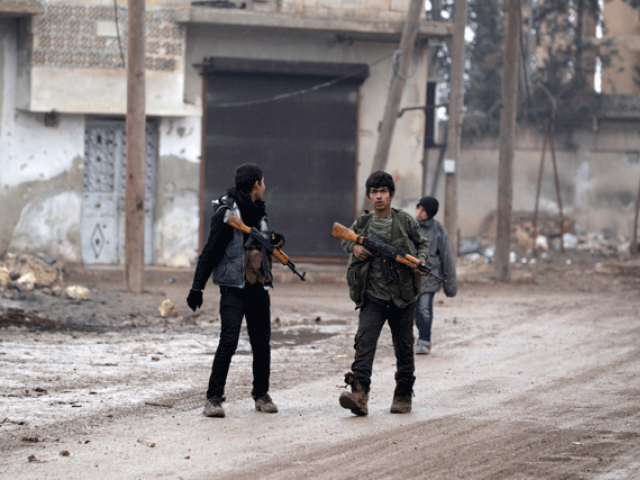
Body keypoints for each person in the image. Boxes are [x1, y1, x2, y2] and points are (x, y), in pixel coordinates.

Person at [186, 163, 285, 418]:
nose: (265, 187)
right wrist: (197, 287)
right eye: (262, 182)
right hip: (233, 288)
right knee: (228, 341)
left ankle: (261, 395)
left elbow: (258, 238)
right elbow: (210, 251)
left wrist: (274, 239)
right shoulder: (226, 213)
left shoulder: (259, 211)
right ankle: (213, 399)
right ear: (255, 185)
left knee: (261, 343)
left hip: (258, 286)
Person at [339, 171, 430, 416]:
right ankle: (359, 394)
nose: (379, 197)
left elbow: (423, 242)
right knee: (364, 344)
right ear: (369, 196)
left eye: (383, 192)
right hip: (372, 297)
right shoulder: (363, 223)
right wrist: (355, 246)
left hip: (403, 296)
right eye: (374, 192)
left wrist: (420, 262)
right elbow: (345, 239)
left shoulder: (404, 221)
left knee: (403, 346)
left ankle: (403, 393)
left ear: (391, 195)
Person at [414, 196, 457, 355]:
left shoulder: (439, 230)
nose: (419, 212)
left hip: (430, 277)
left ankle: (424, 341)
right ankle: (415, 336)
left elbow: (447, 258)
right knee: (413, 312)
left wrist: (450, 286)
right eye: (418, 208)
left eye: (423, 210)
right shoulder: (409, 227)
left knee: (424, 308)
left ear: (430, 213)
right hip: (410, 278)